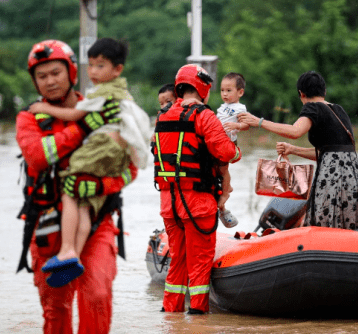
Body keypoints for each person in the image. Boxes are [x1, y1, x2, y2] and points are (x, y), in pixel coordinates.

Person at [16, 39, 138, 333]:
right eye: (42, 76)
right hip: (47, 224)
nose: (50, 81)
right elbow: (38, 156)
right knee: (55, 308)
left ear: (71, 72)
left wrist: (99, 185)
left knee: (96, 295)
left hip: (98, 220)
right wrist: (83, 126)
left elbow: (131, 168)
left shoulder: (103, 107)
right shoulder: (28, 118)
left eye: (56, 73)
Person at [27, 38, 151, 286]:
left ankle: (68, 249)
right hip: (49, 219)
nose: (93, 72)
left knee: (70, 189)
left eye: (56, 73)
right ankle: (72, 254)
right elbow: (36, 156)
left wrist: (44, 108)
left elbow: (74, 115)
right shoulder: (118, 95)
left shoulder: (97, 97)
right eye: (91, 66)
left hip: (99, 169)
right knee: (83, 203)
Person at [152, 64, 242, 314]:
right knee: (200, 262)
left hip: (169, 201)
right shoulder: (203, 116)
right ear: (203, 87)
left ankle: (171, 315)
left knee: (177, 260)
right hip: (197, 202)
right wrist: (237, 151)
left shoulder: (163, 116)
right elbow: (226, 152)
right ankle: (199, 317)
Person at [238, 71, 358, 229]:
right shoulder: (338, 110)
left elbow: (295, 131)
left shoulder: (312, 108)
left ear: (301, 94)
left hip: (332, 175)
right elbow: (329, 153)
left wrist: (259, 122)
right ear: (324, 91)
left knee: (321, 225)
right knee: (347, 225)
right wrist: (292, 149)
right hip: (352, 172)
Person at [215, 72, 250, 227]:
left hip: (228, 142)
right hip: (219, 140)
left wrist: (237, 126)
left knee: (223, 169)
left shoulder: (240, 108)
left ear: (240, 92)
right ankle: (222, 194)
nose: (224, 94)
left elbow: (247, 124)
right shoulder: (223, 107)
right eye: (222, 90)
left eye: (229, 91)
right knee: (217, 169)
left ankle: (226, 190)